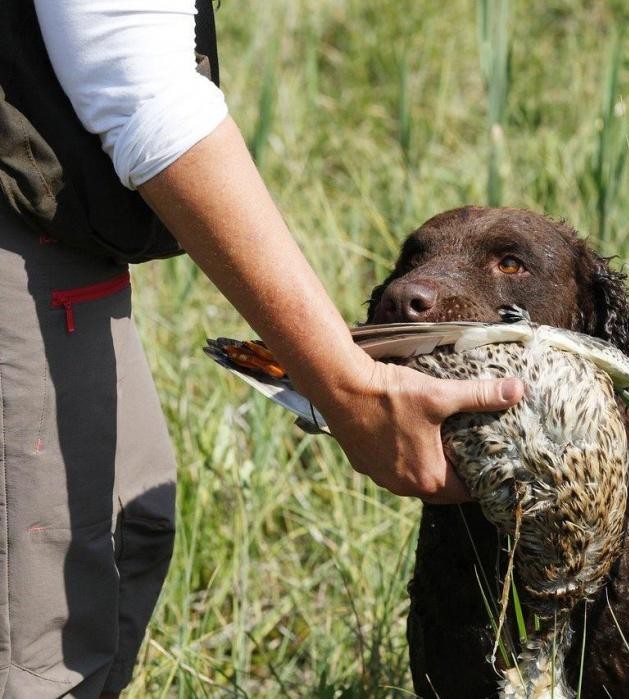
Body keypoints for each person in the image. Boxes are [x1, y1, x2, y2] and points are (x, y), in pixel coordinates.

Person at [0, 1, 523, 696]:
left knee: (130, 533)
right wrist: (348, 387)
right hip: (21, 209)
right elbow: (142, 92)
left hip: (60, 217)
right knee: (42, 626)